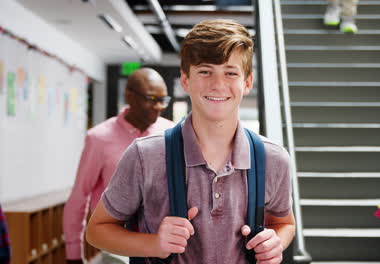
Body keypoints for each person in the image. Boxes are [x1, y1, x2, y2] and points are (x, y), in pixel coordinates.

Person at [86, 19, 296, 264]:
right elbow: (97, 230)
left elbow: (284, 223)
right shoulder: (146, 155)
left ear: (247, 82)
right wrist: (154, 244)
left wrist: (275, 243)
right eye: (205, 71)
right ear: (185, 80)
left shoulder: (274, 159)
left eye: (230, 73)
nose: (218, 85)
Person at [63, 68, 175, 264]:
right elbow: (79, 197)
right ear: (129, 95)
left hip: (161, 247)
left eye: (163, 100)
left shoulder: (170, 132)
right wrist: (74, 254)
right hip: (116, 248)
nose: (158, 107)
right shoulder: (99, 138)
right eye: (151, 99)